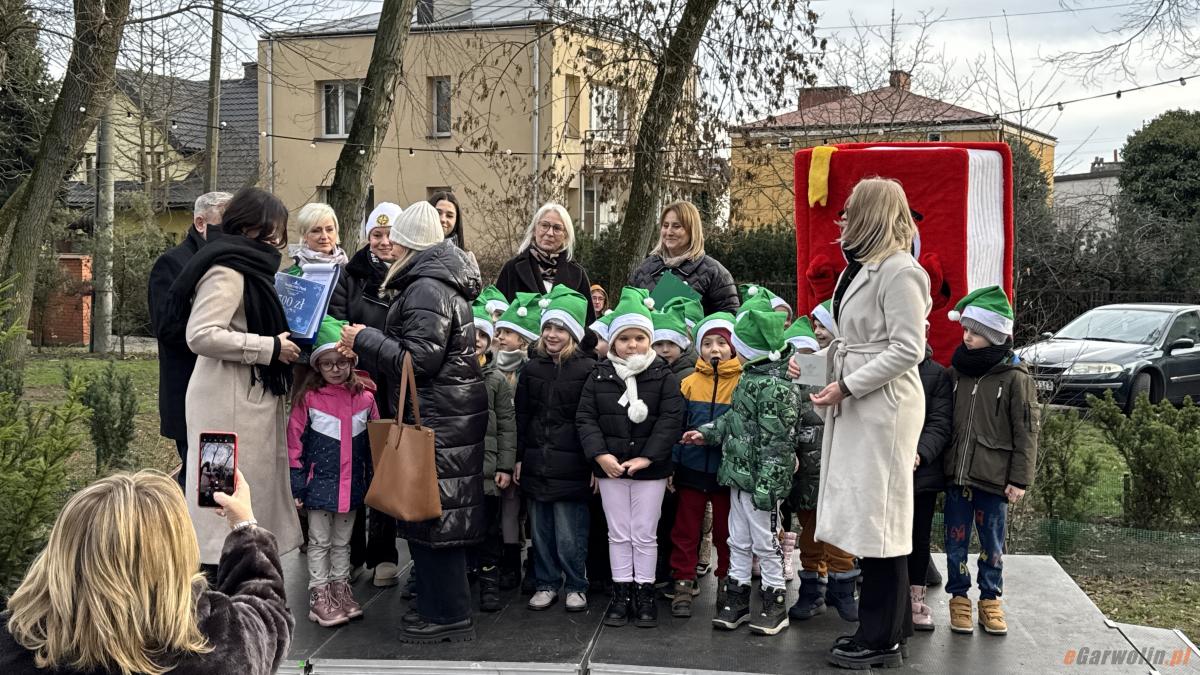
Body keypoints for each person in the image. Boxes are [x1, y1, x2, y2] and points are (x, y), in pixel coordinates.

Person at [790, 177, 930, 669]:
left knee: (881, 522)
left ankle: (880, 636)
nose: (842, 219)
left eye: (850, 211)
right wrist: (813, 367)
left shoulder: (901, 272)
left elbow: (908, 348)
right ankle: (890, 628)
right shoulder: (864, 268)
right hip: (863, 404)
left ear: (870, 214)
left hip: (884, 410)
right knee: (876, 518)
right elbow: (853, 343)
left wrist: (847, 386)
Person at [338, 201, 488, 644]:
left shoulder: (426, 287)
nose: (390, 247)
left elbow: (419, 360)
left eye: (397, 239)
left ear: (409, 244)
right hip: (446, 414)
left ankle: (447, 614)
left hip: (439, 416)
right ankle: (440, 607)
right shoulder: (436, 281)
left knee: (433, 513)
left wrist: (365, 338)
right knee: (437, 512)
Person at [0, 470, 293, 675]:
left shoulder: (15, 644)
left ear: (61, 554)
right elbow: (268, 613)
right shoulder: (219, 647)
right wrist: (244, 526)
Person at [169, 187, 303, 568]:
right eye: (272, 230)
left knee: (237, 502)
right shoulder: (226, 271)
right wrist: (269, 348)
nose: (277, 240)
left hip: (242, 402)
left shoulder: (246, 266)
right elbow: (200, 334)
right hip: (222, 410)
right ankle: (219, 583)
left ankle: (241, 570)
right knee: (219, 509)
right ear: (249, 227)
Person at [682, 310, 799, 637]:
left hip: (761, 485)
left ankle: (775, 602)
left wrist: (768, 488)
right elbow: (734, 419)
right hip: (738, 476)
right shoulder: (750, 379)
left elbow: (779, 445)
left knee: (766, 541)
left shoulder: (776, 388)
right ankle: (737, 597)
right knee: (738, 539)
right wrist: (707, 432)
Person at [577, 287, 685, 629]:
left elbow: (671, 420)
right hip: (610, 468)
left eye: (639, 338)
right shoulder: (599, 375)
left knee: (645, 532)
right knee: (618, 532)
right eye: (624, 338)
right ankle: (621, 591)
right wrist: (600, 455)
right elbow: (586, 418)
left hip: (649, 470)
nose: (632, 345)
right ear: (613, 342)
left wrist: (648, 458)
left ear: (649, 340)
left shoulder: (663, 376)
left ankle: (645, 591)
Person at [942, 287, 1037, 636]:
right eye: (966, 329)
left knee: (992, 544)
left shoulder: (1015, 378)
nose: (967, 336)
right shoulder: (956, 373)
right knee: (955, 542)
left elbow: (1027, 431)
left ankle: (990, 599)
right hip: (957, 475)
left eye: (976, 331)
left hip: (994, 479)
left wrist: (1020, 478)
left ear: (995, 334)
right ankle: (958, 597)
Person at [327, 202, 404, 589]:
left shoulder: (408, 273)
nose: (384, 242)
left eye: (390, 235)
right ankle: (353, 553)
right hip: (357, 380)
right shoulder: (350, 274)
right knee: (353, 463)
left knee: (387, 466)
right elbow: (338, 321)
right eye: (377, 234)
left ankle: (384, 554)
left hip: (393, 383)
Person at [288, 317, 379, 628]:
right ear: (317, 366)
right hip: (318, 485)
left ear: (351, 362)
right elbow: (294, 443)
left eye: (341, 362)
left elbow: (375, 443)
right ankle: (319, 594)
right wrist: (297, 484)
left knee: (343, 542)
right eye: (327, 364)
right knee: (319, 542)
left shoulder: (366, 399)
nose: (335, 369)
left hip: (351, 486)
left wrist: (371, 479)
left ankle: (340, 589)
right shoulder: (309, 399)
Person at [513, 285, 596, 612]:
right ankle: (546, 582)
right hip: (537, 461)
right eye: (548, 327)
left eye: (560, 328)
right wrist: (519, 457)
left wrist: (594, 463)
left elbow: (591, 420)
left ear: (573, 333)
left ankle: (576, 584)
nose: (552, 334)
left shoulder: (588, 369)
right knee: (541, 532)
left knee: (569, 533)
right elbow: (522, 416)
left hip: (573, 466)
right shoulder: (532, 369)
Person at [147, 191, 231, 487]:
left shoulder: (228, 263)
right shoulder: (172, 264)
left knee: (219, 479)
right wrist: (220, 339)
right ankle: (188, 519)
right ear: (200, 223)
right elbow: (167, 327)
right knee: (207, 481)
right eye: (225, 225)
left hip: (224, 391)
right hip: (191, 391)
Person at [782, 318, 858, 624]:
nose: (818, 332)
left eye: (824, 326)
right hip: (806, 473)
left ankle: (843, 588)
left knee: (840, 533)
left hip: (840, 470)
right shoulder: (797, 376)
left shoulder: (850, 369)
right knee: (810, 533)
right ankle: (812, 588)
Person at [668, 312, 740, 618]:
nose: (715, 349)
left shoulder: (742, 382)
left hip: (727, 472)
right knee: (686, 528)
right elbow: (675, 426)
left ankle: (727, 580)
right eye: (707, 343)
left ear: (733, 346)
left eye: (721, 342)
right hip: (692, 469)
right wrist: (673, 464)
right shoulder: (688, 383)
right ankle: (683, 580)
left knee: (727, 531)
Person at [492, 292, 543, 592]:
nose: (499, 337)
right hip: (504, 450)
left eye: (506, 333)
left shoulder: (531, 371)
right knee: (509, 506)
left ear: (523, 339)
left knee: (533, 508)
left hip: (528, 449)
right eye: (498, 332)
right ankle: (510, 561)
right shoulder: (493, 368)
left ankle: (536, 561)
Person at [471, 302, 518, 612]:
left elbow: (506, 425)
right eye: (471, 333)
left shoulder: (496, 379)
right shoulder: (446, 374)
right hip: (456, 470)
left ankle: (489, 579)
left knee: (489, 528)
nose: (476, 340)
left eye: (482, 335)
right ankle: (463, 575)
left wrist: (504, 465)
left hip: (488, 470)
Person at [495, 203, 597, 333]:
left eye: (557, 228)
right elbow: (497, 315)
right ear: (534, 230)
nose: (549, 233)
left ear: (565, 235)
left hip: (562, 346)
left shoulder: (577, 274)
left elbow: (588, 324)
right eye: (544, 225)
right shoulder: (512, 269)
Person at [910, 323, 952, 632]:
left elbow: (940, 423)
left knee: (919, 537)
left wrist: (920, 453)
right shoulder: (882, 368)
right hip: (885, 471)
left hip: (921, 473)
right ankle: (888, 595)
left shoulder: (937, 375)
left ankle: (916, 598)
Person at [629, 201, 738, 316]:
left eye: (676, 226)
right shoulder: (644, 269)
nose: (669, 232)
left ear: (692, 230)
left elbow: (729, 316)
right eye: (665, 226)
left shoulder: (715, 272)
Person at [288, 202, 349, 272]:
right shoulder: (292, 274)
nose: (324, 236)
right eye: (316, 231)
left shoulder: (350, 270)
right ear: (304, 235)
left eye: (329, 229)